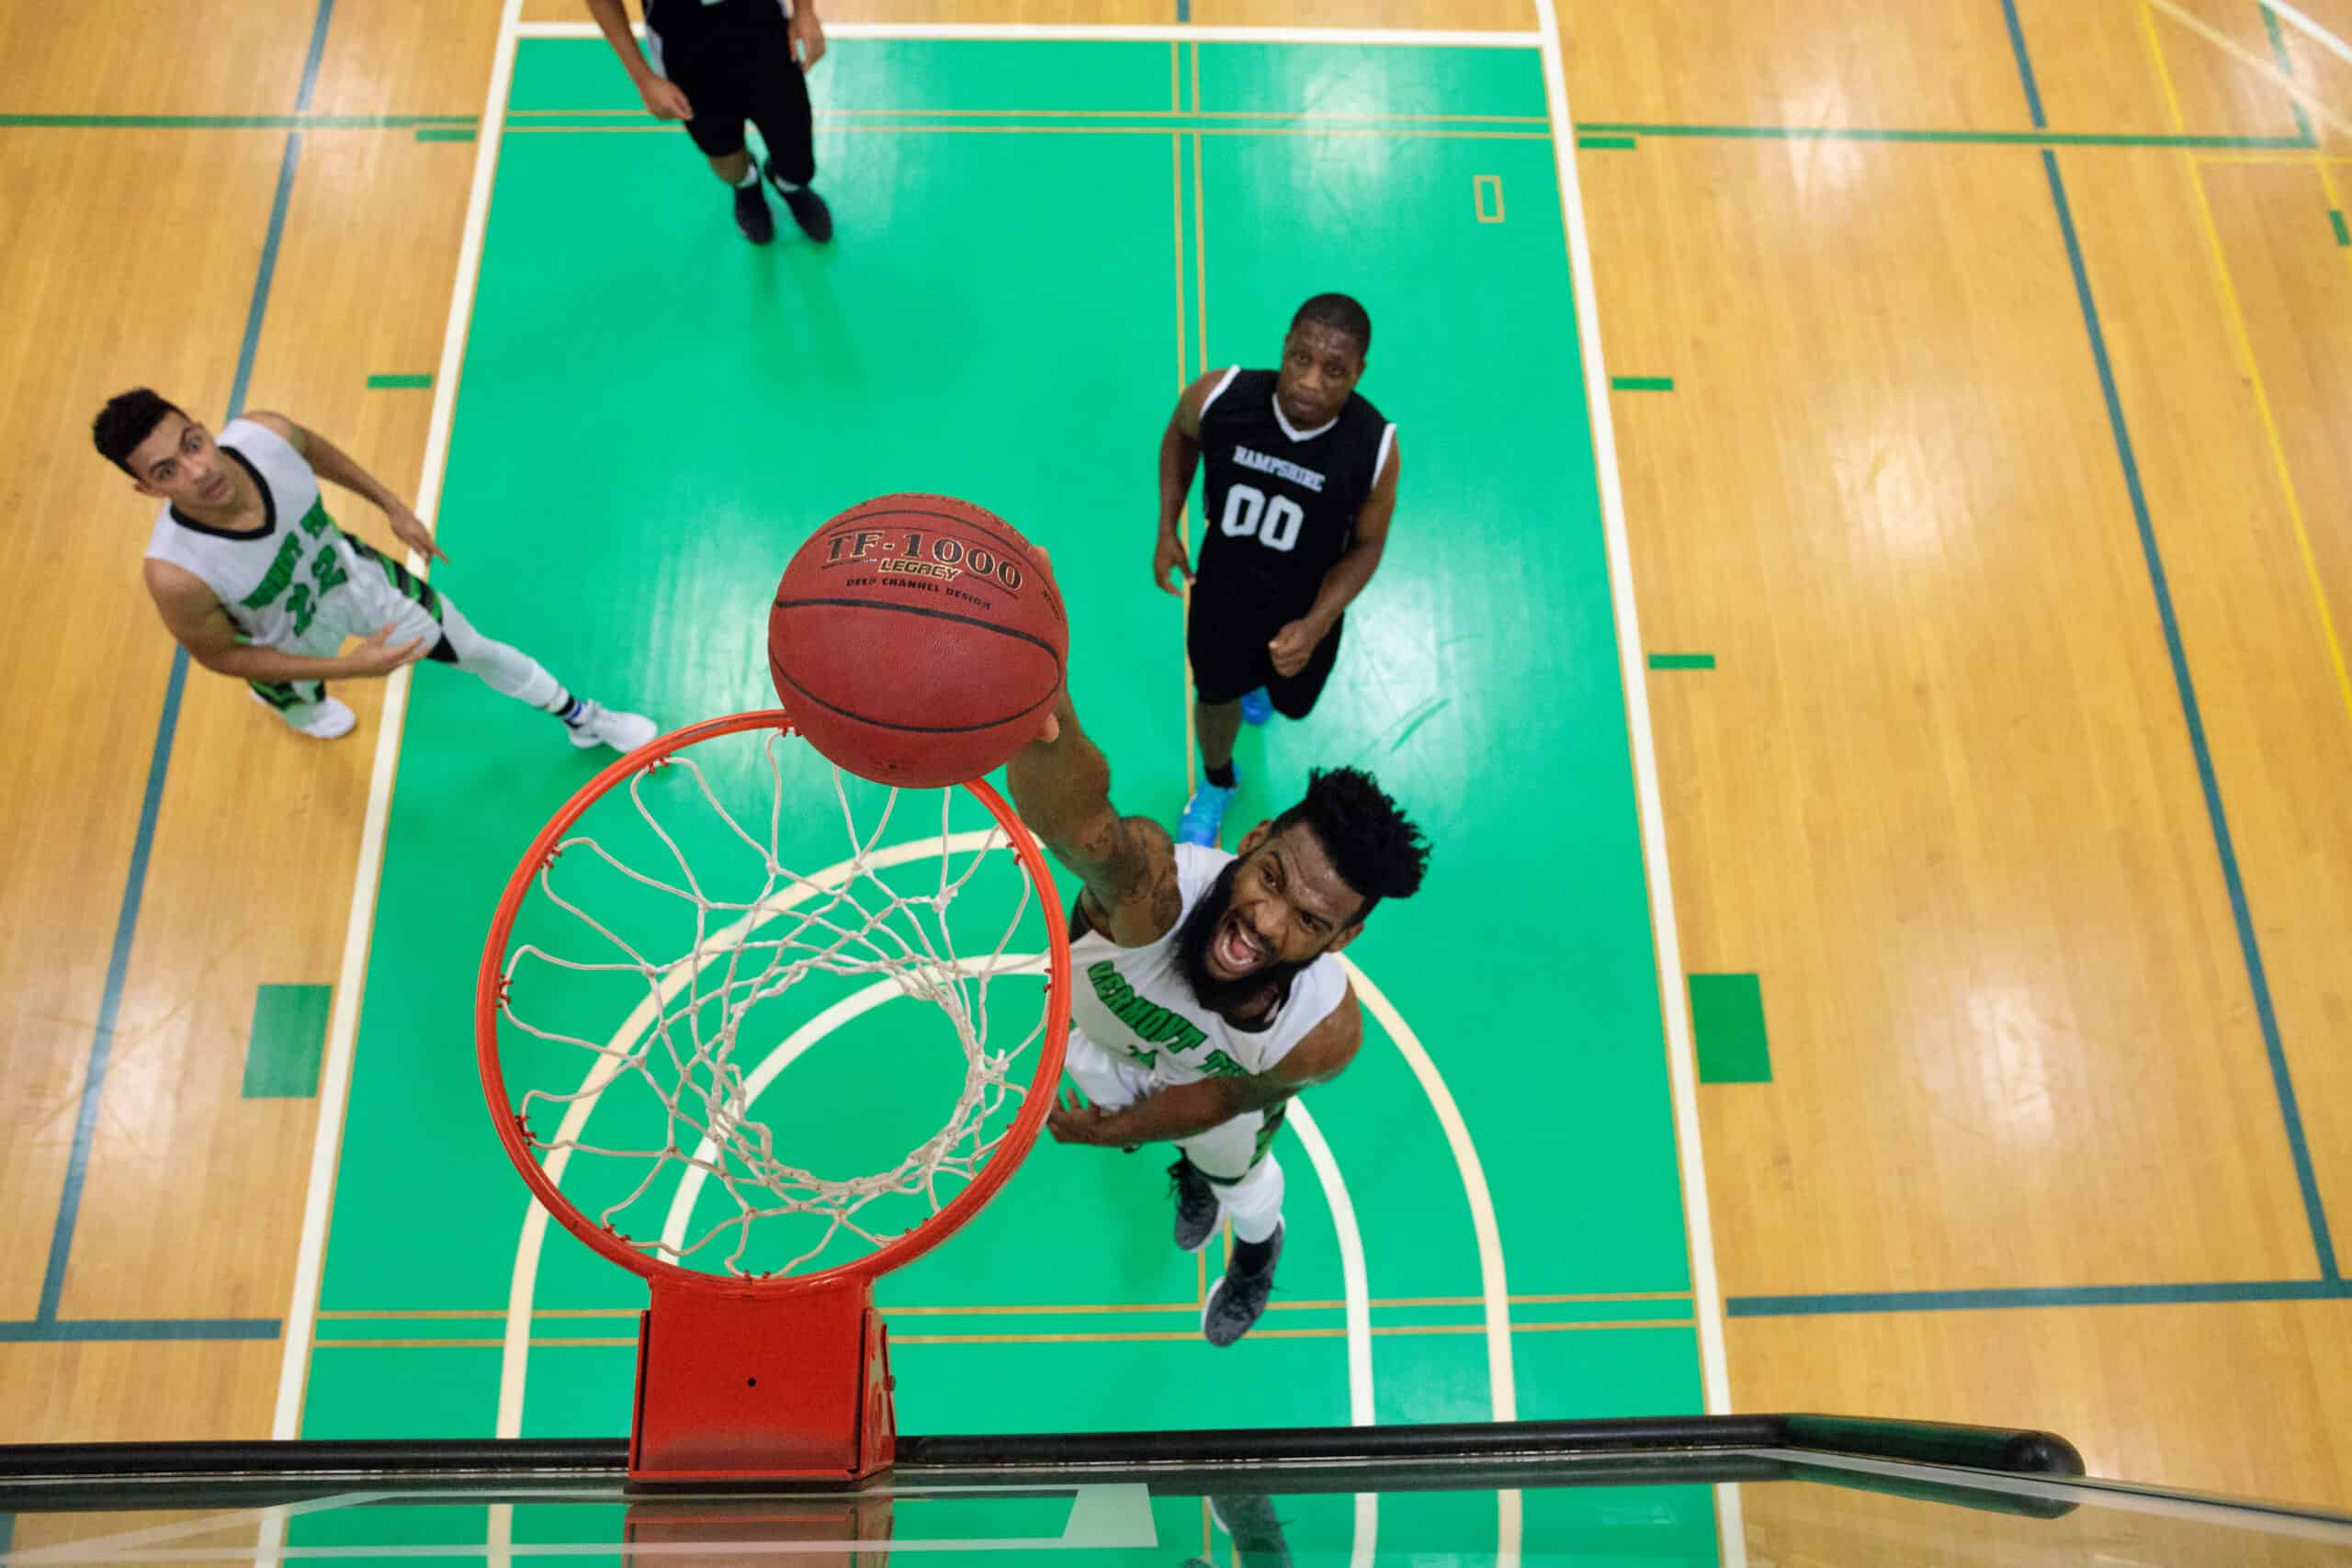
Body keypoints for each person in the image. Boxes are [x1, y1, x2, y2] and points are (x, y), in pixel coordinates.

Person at [1006, 647, 1429, 1347]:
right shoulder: (1152, 897)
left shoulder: (1321, 1032)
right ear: (1253, 839)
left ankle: (1258, 1256)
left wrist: (1124, 1130)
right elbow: (1087, 832)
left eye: (1310, 921)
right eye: (1271, 878)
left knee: (1242, 1180)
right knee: (1151, 1112)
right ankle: (1189, 1167)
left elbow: (1222, 1098)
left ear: (1343, 937)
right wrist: (1040, 708)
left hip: (1217, 1084)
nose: (1265, 923)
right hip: (1109, 1048)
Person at [95, 389, 656, 750]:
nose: (197, 472)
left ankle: (580, 717)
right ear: (147, 488)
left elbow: (316, 451)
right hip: (286, 639)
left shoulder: (265, 435)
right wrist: (351, 670)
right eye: (167, 471)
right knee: (302, 700)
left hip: (353, 578)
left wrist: (391, 506)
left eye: (193, 444)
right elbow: (220, 655)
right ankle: (292, 705)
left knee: (475, 648)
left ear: (200, 425)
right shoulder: (175, 575)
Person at [1154, 292, 1399, 847]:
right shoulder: (1221, 396)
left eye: (1334, 370)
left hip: (1306, 611)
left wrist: (1315, 625)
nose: (1311, 382)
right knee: (1215, 699)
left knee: (1288, 702)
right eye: (1301, 360)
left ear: (1358, 373)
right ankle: (1217, 783)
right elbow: (1180, 436)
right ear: (1285, 349)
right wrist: (1168, 527)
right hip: (1223, 597)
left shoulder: (1375, 448)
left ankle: (1261, 688)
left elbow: (1367, 544)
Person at [586, 0, 832, 247]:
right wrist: (643, 78)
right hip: (687, 54)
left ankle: (789, 187)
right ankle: (747, 185)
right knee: (728, 164)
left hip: (765, 34)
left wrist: (804, 11)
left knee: (799, 167)